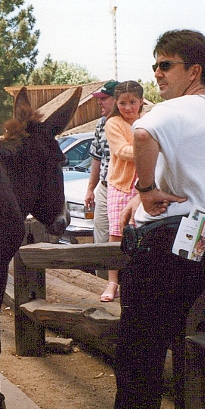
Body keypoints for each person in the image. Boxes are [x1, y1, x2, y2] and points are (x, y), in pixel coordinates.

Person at [66, 30, 205, 409]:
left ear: (194, 71)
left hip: (163, 244)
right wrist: (141, 202)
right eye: (156, 65)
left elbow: (142, 134)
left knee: (136, 358)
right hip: (200, 240)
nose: (157, 74)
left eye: (166, 65)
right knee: (149, 354)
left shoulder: (169, 111)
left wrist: (143, 191)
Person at [100, 81, 145, 302]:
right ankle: (112, 282)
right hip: (121, 185)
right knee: (117, 233)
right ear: (116, 104)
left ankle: (138, 280)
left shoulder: (148, 121)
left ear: (141, 101)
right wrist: (150, 150)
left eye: (133, 102)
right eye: (123, 103)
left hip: (145, 185)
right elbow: (121, 151)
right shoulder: (113, 123)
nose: (128, 107)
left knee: (144, 233)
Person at [84, 80, 119, 273]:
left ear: (115, 100)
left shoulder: (134, 123)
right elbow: (96, 158)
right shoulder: (101, 124)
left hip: (127, 189)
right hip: (106, 188)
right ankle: (102, 283)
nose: (100, 103)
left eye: (103, 99)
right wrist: (91, 189)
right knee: (102, 239)